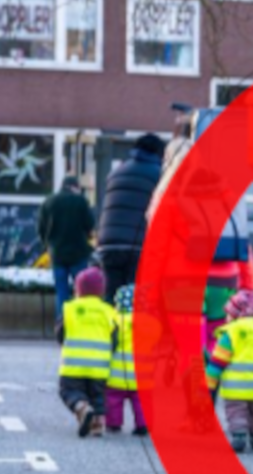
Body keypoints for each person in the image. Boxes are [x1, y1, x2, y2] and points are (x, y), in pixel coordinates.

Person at [206, 290, 253, 453]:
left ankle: (239, 436)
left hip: (235, 388)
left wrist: (209, 383)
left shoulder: (230, 333)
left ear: (235, 314)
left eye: (228, 313)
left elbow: (217, 361)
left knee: (236, 412)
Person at [97, 133, 165, 299]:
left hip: (108, 244)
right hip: (137, 245)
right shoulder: (159, 174)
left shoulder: (116, 172)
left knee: (112, 297)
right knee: (135, 299)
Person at [56, 267, 117, 438]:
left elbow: (60, 332)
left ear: (78, 289)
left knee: (68, 390)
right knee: (97, 394)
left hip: (73, 365)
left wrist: (64, 344)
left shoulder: (70, 308)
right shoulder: (109, 311)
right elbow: (115, 338)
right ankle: (98, 423)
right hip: (100, 366)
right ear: (102, 291)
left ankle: (82, 407)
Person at [38, 175, 95, 320]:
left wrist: (47, 245)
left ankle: (62, 324)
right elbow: (90, 225)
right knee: (82, 291)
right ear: (74, 187)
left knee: (61, 292)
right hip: (79, 254)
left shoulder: (49, 201)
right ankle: (81, 321)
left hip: (57, 254)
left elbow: (41, 229)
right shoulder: (81, 201)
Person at [106, 284, 149, 436]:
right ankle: (143, 425)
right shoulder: (150, 321)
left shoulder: (114, 320)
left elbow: (110, 343)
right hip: (143, 376)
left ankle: (114, 423)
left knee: (113, 400)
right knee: (141, 401)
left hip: (116, 375)